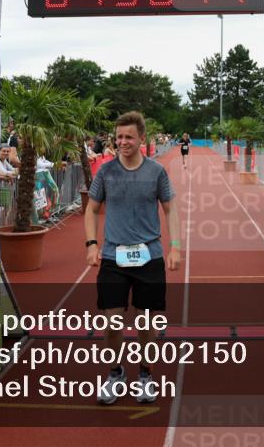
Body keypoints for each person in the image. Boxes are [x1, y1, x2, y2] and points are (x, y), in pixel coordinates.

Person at [85, 111, 180, 405]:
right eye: (119, 136)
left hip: (149, 256)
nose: (122, 141)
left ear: (141, 139)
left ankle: (145, 376)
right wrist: (91, 244)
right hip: (114, 257)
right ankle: (116, 373)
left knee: (146, 323)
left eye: (128, 137)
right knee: (112, 322)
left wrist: (175, 246)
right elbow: (91, 210)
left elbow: (170, 209)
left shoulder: (156, 172)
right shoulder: (106, 172)